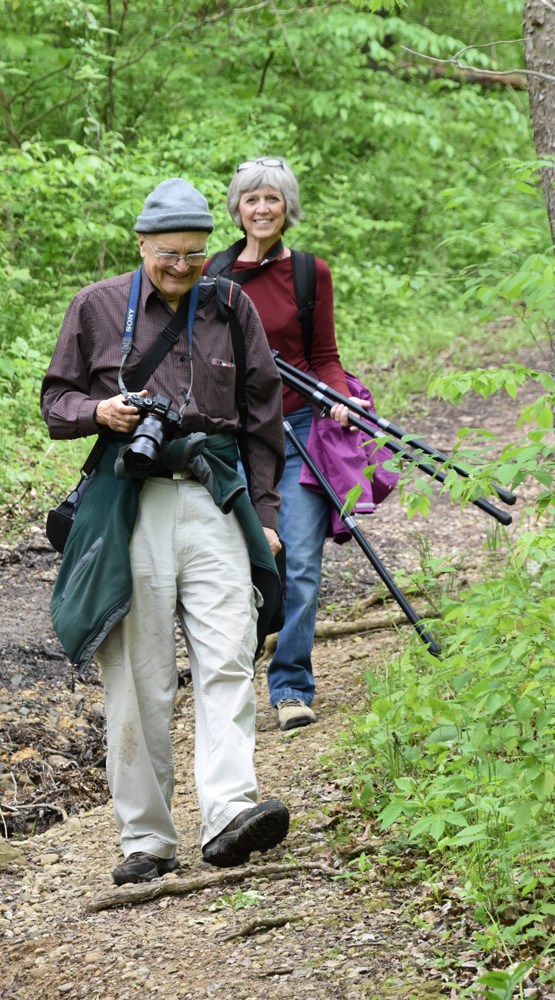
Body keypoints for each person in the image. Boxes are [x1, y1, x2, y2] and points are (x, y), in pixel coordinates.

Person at [41, 177, 290, 886]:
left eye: (195, 253)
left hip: (214, 495)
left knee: (227, 654)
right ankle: (146, 840)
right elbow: (54, 401)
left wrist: (266, 518)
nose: (182, 266)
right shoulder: (95, 307)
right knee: (139, 678)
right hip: (132, 500)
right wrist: (103, 413)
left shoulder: (230, 305)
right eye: (169, 253)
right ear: (143, 243)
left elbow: (263, 418)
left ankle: (229, 813)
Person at [205, 156, 367, 733]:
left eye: (273, 199)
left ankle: (291, 685)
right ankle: (229, 684)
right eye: (252, 199)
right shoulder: (212, 276)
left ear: (287, 206)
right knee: (234, 565)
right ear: (238, 208)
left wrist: (339, 396)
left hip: (299, 430)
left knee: (299, 561)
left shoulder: (308, 273)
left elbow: (323, 354)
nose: (262, 209)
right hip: (232, 439)